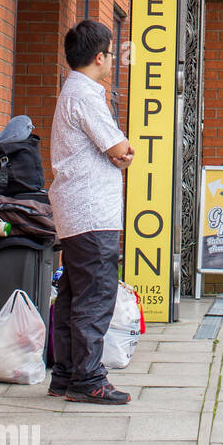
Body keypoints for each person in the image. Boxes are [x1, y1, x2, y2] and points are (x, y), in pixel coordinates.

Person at [48, 20, 135, 404]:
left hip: (73, 210)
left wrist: (118, 153)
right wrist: (122, 154)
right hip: (92, 211)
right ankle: (88, 380)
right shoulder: (86, 94)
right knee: (95, 296)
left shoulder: (72, 90)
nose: (113, 59)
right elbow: (119, 148)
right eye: (112, 53)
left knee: (71, 295)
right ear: (99, 57)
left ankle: (65, 375)